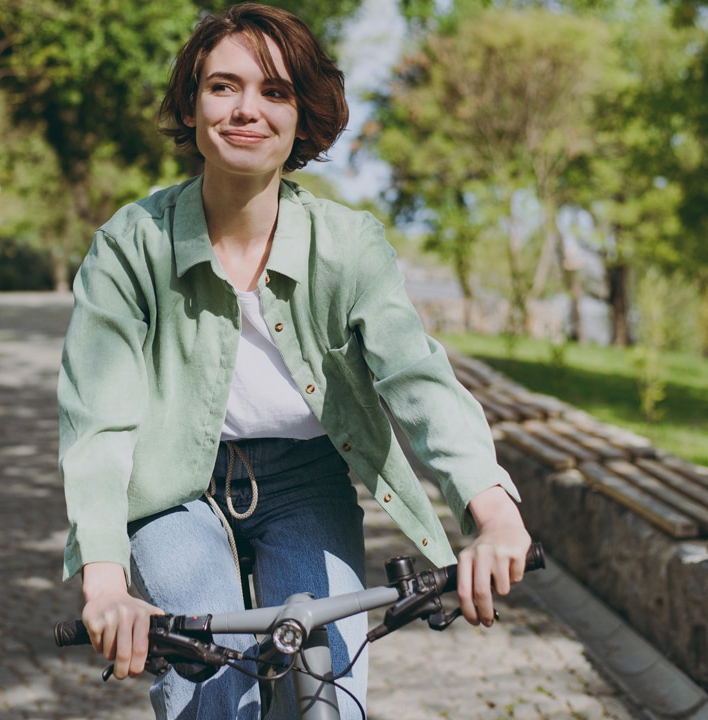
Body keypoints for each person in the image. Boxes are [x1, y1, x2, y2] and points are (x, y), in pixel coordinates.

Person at [56, 3, 533, 719]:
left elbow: (416, 378)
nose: (247, 108)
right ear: (191, 106)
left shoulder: (349, 245)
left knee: (326, 692)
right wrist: (105, 580)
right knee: (210, 686)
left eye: (275, 92)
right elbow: (98, 424)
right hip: (173, 491)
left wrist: (492, 515)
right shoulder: (132, 246)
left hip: (306, 481)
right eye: (223, 87)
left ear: (301, 116)